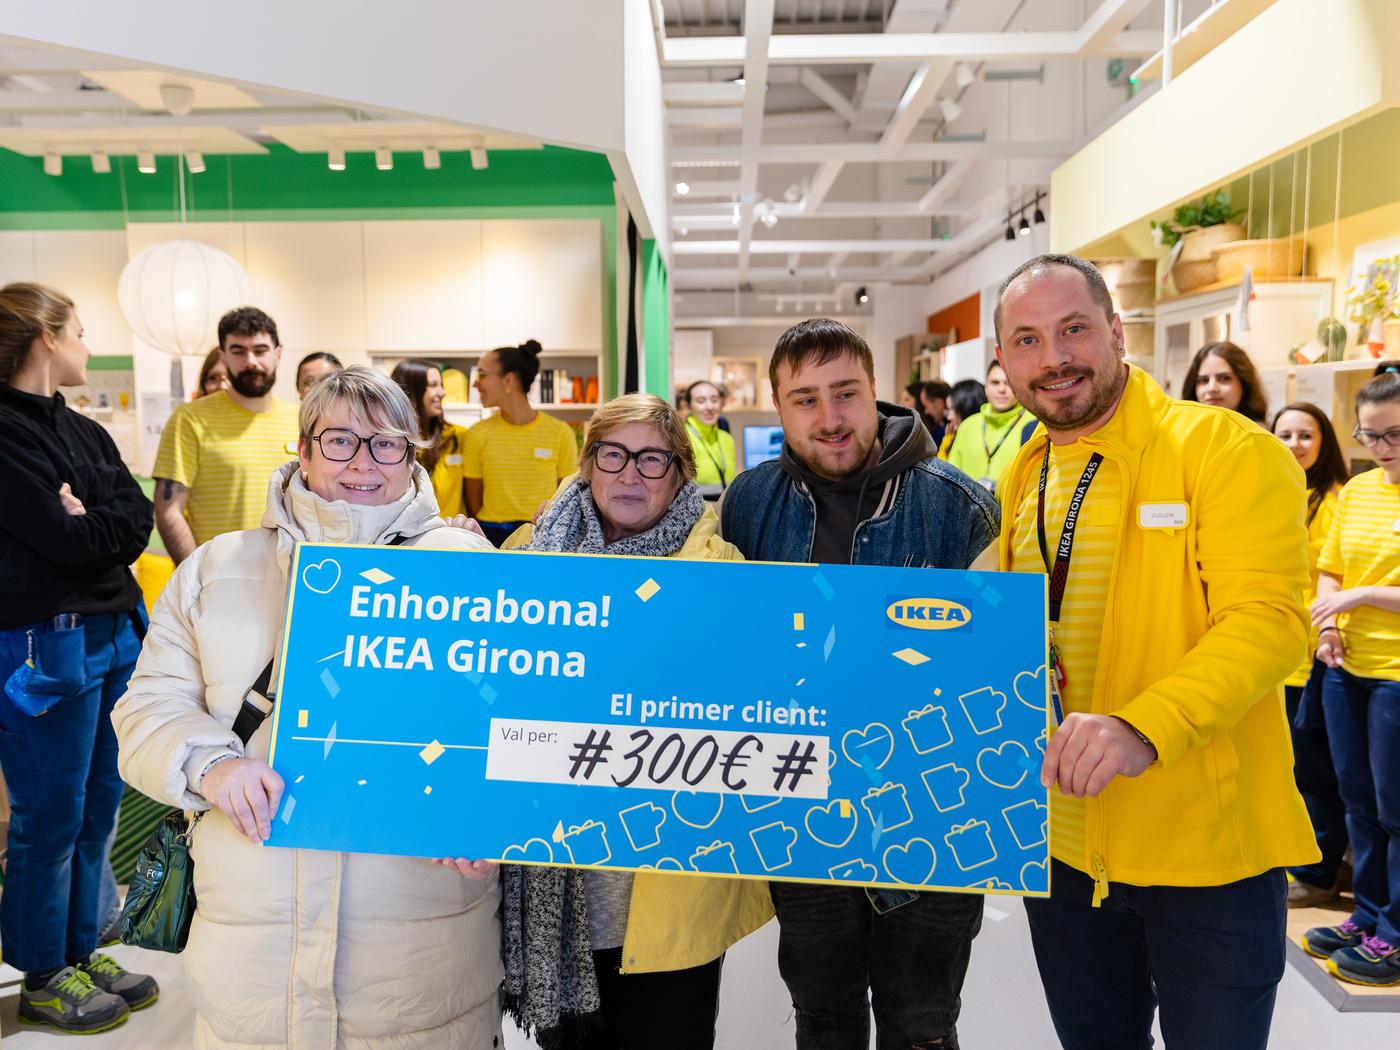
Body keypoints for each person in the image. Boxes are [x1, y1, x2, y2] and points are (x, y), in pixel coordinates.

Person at [112, 366, 502, 1047]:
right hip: (252, 946)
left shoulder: (470, 570)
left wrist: (487, 814)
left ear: (413, 455)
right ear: (302, 446)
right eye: (341, 440)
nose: (364, 463)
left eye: (387, 444)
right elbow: (147, 707)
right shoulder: (215, 570)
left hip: (422, 942)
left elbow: (518, 720)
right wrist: (211, 767)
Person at [984, 253, 1317, 1049]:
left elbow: (1270, 623)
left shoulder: (1223, 451)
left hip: (1206, 856)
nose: (1053, 357)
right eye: (1026, 340)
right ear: (1003, 360)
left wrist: (1143, 727)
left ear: (1116, 332)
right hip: (1062, 850)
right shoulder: (1020, 473)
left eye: (1073, 329)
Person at [721, 318, 997, 1050]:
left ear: (876, 394)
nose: (830, 417)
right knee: (825, 1017)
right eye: (805, 399)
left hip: (934, 815)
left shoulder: (960, 505)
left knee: (922, 1022)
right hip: (801, 809)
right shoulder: (748, 504)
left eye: (845, 393)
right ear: (778, 409)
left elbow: (1008, 660)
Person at [499, 394, 773, 1049]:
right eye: (613, 455)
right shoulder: (526, 555)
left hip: (669, 884)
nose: (630, 474)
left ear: (681, 472)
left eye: (652, 459)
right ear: (587, 463)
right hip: (557, 881)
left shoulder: (721, 571)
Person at [0, 282, 158, 1035]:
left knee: (100, 805)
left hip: (110, 632)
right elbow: (67, 540)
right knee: (48, 814)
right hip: (41, 644)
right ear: (46, 339)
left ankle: (84, 946)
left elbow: (133, 520)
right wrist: (94, 526)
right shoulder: (3, 435)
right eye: (82, 331)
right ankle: (41, 972)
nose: (89, 345)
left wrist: (89, 519)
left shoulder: (84, 429)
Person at [1302, 368, 1400, 986]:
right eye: (1371, 435)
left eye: (1394, 435)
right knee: (1357, 800)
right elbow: (1329, 567)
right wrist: (1329, 627)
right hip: (1346, 666)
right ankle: (1366, 915)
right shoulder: (1359, 492)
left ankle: (1394, 930)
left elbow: (1352, 587)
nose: (1383, 448)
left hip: (1395, 675)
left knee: (1396, 808)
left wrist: (1361, 597)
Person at [1272, 402, 1352, 908]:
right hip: (1274, 658)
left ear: (1324, 444)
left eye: (1307, 435)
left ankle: (1320, 874)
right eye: (1285, 434)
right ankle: (1299, 861)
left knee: (1316, 772)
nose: (1295, 444)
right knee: (1291, 769)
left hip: (1315, 655)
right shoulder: (1267, 489)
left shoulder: (1338, 498)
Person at [152, 307, 300, 564]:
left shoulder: (301, 419)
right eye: (238, 351)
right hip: (220, 579)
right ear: (223, 356)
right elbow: (169, 510)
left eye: (260, 350)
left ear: (278, 353)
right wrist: (194, 577)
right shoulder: (189, 419)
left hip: (291, 576)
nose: (251, 361)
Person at [465, 339, 579, 546]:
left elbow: (568, 496)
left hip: (542, 535)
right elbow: (473, 501)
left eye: (481, 374)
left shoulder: (560, 433)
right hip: (488, 535)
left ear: (509, 380)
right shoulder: (477, 434)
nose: (475, 383)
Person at [392, 358, 470, 518]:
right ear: (411, 390)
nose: (443, 392)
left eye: (441, 384)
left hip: (452, 533)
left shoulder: (457, 436)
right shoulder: (389, 442)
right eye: (434, 385)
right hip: (407, 536)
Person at [945, 360, 1032, 492]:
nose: (1001, 389)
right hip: (968, 509)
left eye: (1008, 383)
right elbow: (951, 475)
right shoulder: (968, 425)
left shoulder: (1033, 424)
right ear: (985, 388)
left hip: (1014, 510)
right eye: (995, 383)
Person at [1181, 340, 1268, 424]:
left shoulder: (1259, 436)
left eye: (1224, 378)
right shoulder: (1181, 433)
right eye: (1204, 380)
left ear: (1244, 383)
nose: (1212, 388)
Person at [682, 379, 738, 499]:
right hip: (697, 514)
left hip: (727, 510)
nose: (709, 407)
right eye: (701, 401)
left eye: (714, 400)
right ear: (688, 406)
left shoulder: (727, 438)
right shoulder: (682, 437)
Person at [939, 379, 986, 460]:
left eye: (952, 409)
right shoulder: (953, 436)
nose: (949, 417)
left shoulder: (983, 441)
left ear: (967, 407)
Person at [920, 379, 951, 447]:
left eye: (926, 406)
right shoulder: (942, 427)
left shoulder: (947, 430)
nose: (926, 412)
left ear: (938, 403)